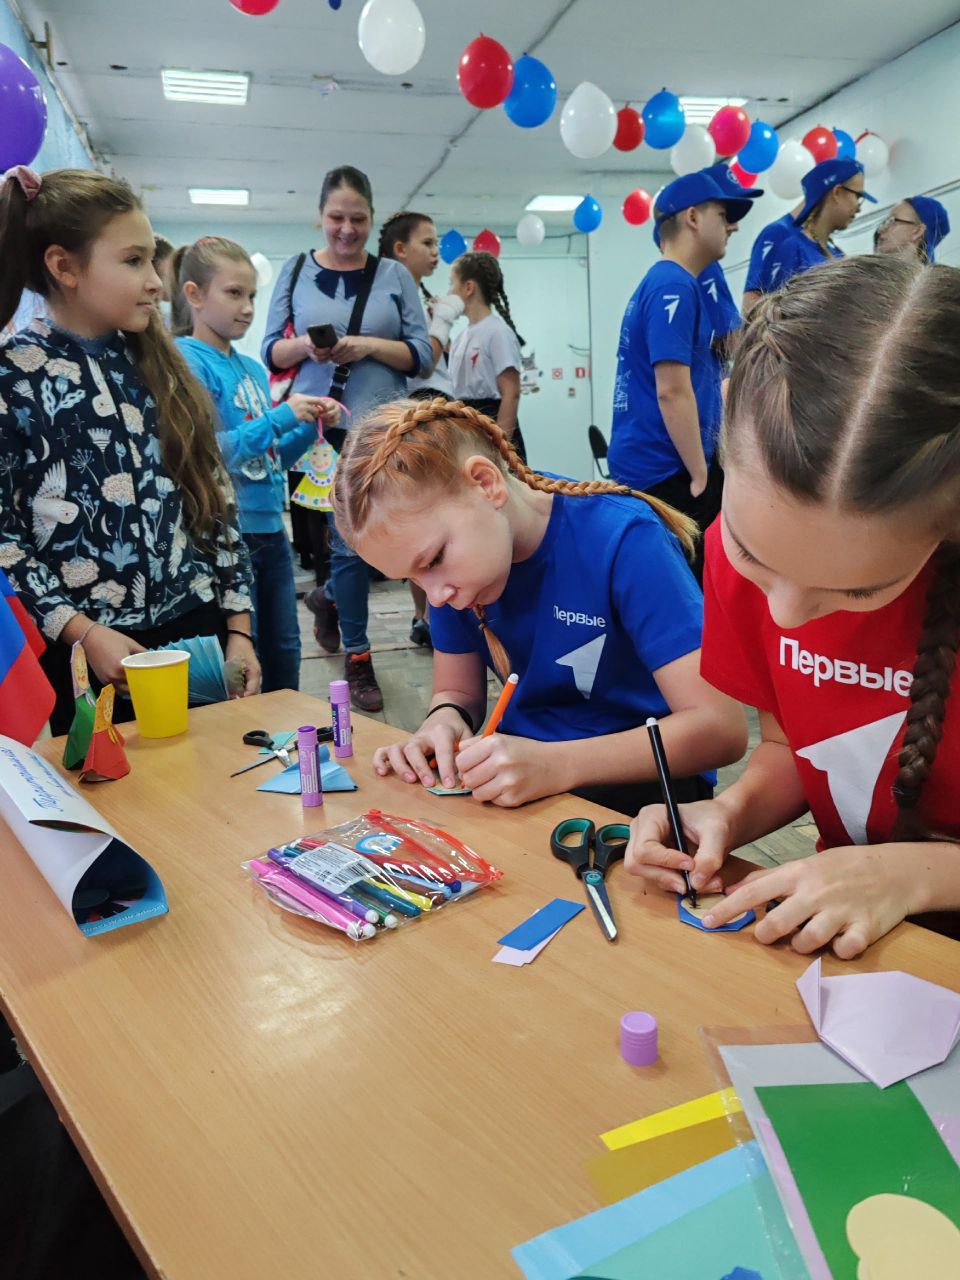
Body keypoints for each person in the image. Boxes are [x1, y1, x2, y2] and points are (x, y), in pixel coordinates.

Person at [626, 255, 960, 958]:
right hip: (855, 944)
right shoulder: (726, 551)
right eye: (753, 556)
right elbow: (791, 748)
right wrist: (727, 812)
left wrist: (912, 875)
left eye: (858, 591)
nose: (784, 615)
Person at [331, 397, 747, 815]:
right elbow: (456, 692)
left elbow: (719, 730)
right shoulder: (456, 573)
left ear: (486, 483)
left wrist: (558, 764)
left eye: (433, 561)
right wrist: (442, 721)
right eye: (413, 579)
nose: (435, 596)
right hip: (523, 791)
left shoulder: (623, 539)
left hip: (649, 803)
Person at [0, 167, 258, 735]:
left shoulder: (163, 367)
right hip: (83, 653)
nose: (157, 283)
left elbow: (215, 500)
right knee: (112, 810)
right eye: (133, 261)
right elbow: (6, 540)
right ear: (64, 266)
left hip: (196, 633)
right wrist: (83, 633)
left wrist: (238, 626)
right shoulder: (13, 381)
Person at [261, 165, 432, 712]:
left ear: (372, 220)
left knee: (391, 541)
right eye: (336, 217)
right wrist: (305, 349)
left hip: (385, 429)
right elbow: (270, 350)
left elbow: (422, 355)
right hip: (323, 429)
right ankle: (359, 656)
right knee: (350, 545)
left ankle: (329, 598)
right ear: (319, 217)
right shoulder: (292, 273)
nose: (346, 229)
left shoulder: (395, 276)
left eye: (358, 218)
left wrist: (367, 345)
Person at [175, 236, 341, 692]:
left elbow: (267, 460)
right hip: (226, 535)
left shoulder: (250, 367)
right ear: (194, 295)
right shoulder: (188, 359)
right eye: (233, 293)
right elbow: (211, 452)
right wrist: (283, 414)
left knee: (286, 647)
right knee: (245, 656)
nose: (248, 307)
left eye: (251, 294)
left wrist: (307, 426)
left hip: (271, 531)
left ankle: (289, 737)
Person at [607, 172, 753, 582]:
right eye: (723, 214)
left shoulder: (673, 282)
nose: (733, 226)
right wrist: (700, 473)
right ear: (692, 217)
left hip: (664, 465)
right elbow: (672, 390)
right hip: (667, 470)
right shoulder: (674, 284)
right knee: (689, 589)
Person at [378, 210, 465, 649]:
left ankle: (431, 614)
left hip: (437, 406)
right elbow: (423, 359)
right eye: (427, 244)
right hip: (414, 410)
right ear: (399, 249)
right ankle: (427, 615)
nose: (436, 253)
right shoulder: (390, 297)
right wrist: (443, 320)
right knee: (421, 514)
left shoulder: (416, 294)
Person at [447, 251, 527, 463]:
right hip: (465, 424)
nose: (449, 291)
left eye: (451, 284)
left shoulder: (497, 332)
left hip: (491, 425)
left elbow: (511, 393)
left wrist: (501, 448)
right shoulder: (460, 337)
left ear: (468, 288)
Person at [764, 158, 876, 290]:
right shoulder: (794, 249)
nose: (859, 208)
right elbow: (778, 307)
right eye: (858, 196)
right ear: (837, 192)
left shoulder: (836, 253)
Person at [741, 202, 803, 315]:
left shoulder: (833, 250)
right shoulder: (778, 234)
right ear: (836, 193)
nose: (734, 227)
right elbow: (750, 310)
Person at [875, 195, 950, 263]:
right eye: (886, 221)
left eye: (893, 221)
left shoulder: (927, 278)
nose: (881, 228)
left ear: (917, 232)